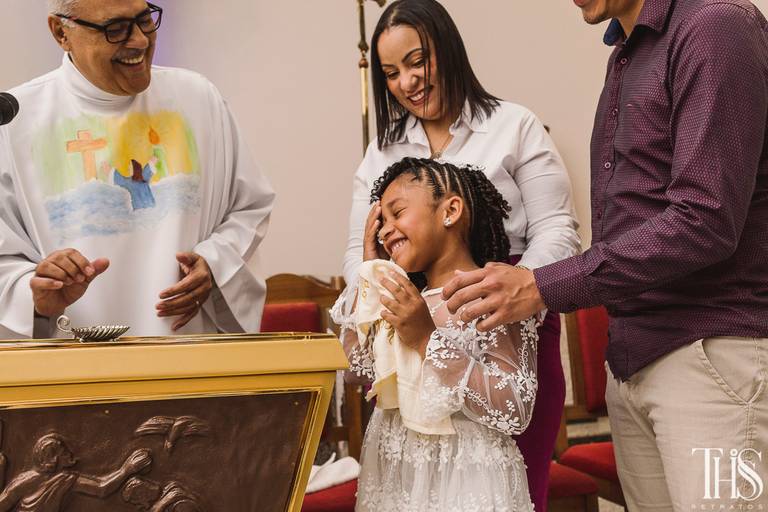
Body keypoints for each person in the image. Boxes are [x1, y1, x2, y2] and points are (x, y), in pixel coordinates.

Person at [443, 0, 768, 508]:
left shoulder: (714, 26)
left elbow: (705, 219)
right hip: (634, 357)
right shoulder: (625, 51)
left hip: (710, 359)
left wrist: (542, 284)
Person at [341, 1, 580, 508]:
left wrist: (513, 293)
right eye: (391, 73)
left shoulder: (513, 125)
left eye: (417, 61)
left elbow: (557, 229)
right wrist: (379, 300)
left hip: (509, 321)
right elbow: (359, 251)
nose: (407, 81)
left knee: (506, 485)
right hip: (412, 323)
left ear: (447, 49)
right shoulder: (381, 152)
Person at [0, 0, 275, 339]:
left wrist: (215, 264)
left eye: (145, 20)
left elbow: (249, 207)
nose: (140, 40)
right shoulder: (15, 119)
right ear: (61, 32)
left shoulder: (197, 98)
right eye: (115, 29)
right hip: (70, 357)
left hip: (189, 349)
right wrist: (35, 293)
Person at [334, 157, 539, 511]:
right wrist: (370, 273)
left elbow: (514, 409)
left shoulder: (493, 293)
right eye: (382, 223)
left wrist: (427, 339)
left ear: (450, 211)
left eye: (397, 213)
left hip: (466, 477)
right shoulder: (403, 300)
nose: (385, 231)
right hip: (398, 473)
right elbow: (355, 367)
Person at [0, 433, 151, 511]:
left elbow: (101, 488)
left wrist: (127, 470)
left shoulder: (66, 479)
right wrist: (127, 470)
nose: (70, 454)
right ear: (53, 459)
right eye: (64, 452)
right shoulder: (24, 482)